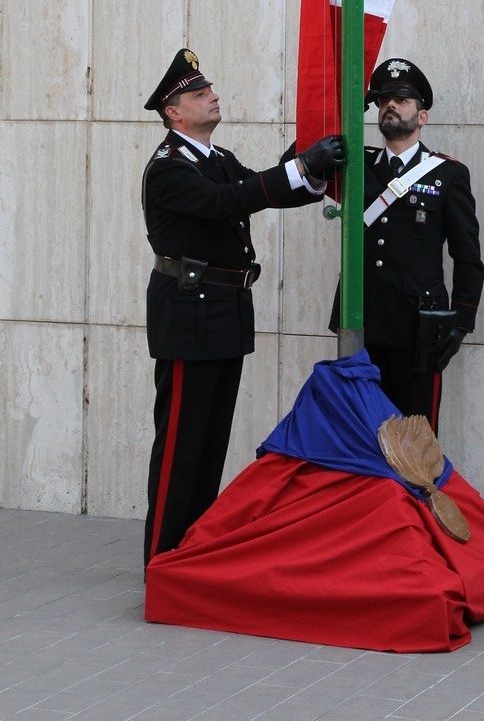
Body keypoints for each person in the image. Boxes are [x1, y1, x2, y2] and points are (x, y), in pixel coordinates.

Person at [141, 48, 345, 567]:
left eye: (209, 89)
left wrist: (313, 163)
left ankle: (190, 549)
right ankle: (161, 555)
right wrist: (299, 166)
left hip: (225, 310)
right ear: (173, 112)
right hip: (188, 313)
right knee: (181, 444)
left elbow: (265, 189)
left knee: (211, 442)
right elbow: (227, 202)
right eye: (197, 93)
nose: (211, 96)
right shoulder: (168, 168)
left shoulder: (217, 159)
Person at [331, 58, 484, 432]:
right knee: (361, 437)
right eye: (383, 99)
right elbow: (298, 165)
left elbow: (467, 255)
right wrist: (334, 126)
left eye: (402, 98)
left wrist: (461, 321)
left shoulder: (447, 175)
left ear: (422, 116)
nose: (390, 105)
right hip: (363, 322)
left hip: (418, 332)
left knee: (416, 442)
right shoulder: (355, 165)